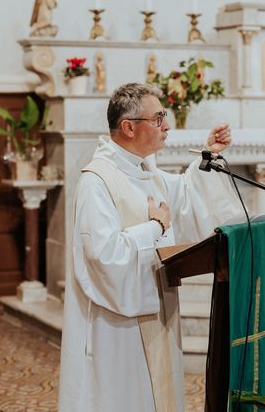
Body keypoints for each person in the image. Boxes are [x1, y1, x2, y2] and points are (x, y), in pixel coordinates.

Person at [58, 83, 242, 411]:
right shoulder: (97, 181)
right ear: (128, 127)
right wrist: (153, 228)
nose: (166, 126)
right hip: (117, 325)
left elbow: (184, 196)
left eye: (164, 117)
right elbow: (103, 255)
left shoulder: (145, 171)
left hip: (155, 310)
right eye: (158, 118)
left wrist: (209, 156)